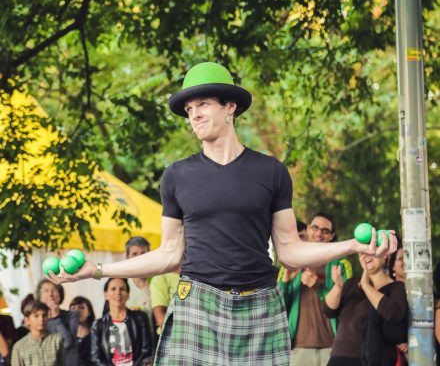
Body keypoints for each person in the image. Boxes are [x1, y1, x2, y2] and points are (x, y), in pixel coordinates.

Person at [49, 62, 397, 365]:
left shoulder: (271, 172)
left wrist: (352, 245)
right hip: (197, 301)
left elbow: (290, 250)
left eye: (202, 104)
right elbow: (171, 254)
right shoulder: (176, 176)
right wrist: (97, 270)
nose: (194, 115)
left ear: (230, 106)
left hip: (260, 303)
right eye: (189, 109)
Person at [280, 213, 352, 366]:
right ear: (307, 229)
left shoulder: (342, 264)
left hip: (333, 347)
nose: (319, 233)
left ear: (331, 236)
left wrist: (319, 287)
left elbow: (347, 307)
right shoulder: (291, 262)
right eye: (315, 228)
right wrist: (285, 281)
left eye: (325, 230)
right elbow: (277, 308)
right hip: (298, 349)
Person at [323, 253, 408, 366]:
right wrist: (338, 287)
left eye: (371, 252)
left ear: (384, 256)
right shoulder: (351, 283)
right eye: (361, 253)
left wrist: (365, 285)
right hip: (339, 357)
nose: (366, 256)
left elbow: (394, 312)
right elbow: (329, 311)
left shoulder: (396, 287)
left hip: (373, 360)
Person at [91, 278, 153, 365]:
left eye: (122, 289)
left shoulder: (140, 318)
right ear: (106, 295)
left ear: (128, 294)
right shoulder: (98, 325)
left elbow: (146, 351)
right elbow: (96, 357)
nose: (118, 292)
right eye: (113, 289)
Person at [36, 279, 79, 365]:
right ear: (39, 296)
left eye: (54, 290)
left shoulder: (72, 315)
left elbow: (66, 343)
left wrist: (56, 317)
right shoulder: (36, 319)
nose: (50, 294)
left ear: (60, 294)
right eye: (46, 291)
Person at [11, 300, 65, 366]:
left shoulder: (57, 340)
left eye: (44, 315)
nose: (41, 319)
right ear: (27, 320)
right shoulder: (19, 347)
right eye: (36, 316)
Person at [124, 237, 152, 316]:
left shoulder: (158, 282)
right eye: (134, 254)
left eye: (143, 253)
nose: (140, 258)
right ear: (127, 258)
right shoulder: (122, 285)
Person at [70, 296, 95, 366]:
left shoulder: (97, 335)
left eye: (82, 308)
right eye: (73, 308)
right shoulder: (68, 336)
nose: (77, 311)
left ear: (89, 312)